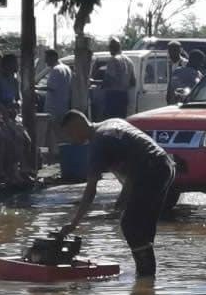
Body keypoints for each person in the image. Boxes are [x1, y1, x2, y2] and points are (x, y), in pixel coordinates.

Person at [58, 110, 175, 278]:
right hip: (165, 166)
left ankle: (145, 275)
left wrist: (74, 223)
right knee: (143, 227)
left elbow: (91, 189)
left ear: (77, 125)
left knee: (130, 225)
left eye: (70, 133)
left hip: (150, 169)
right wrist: (123, 197)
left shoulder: (97, 143)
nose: (71, 140)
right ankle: (147, 281)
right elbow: (132, 159)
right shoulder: (112, 121)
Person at [98, 38, 134, 120]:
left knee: (111, 122)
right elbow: (133, 82)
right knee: (121, 122)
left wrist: (99, 84)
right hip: (124, 96)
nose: (109, 49)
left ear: (113, 48)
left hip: (113, 96)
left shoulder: (113, 60)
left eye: (110, 47)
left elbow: (109, 80)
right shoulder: (129, 61)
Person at [44, 49, 72, 121]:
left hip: (54, 107)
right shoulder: (66, 68)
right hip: (64, 106)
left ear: (53, 57)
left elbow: (51, 88)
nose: (45, 61)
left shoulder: (56, 69)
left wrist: (35, 87)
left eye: (47, 58)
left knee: (53, 129)